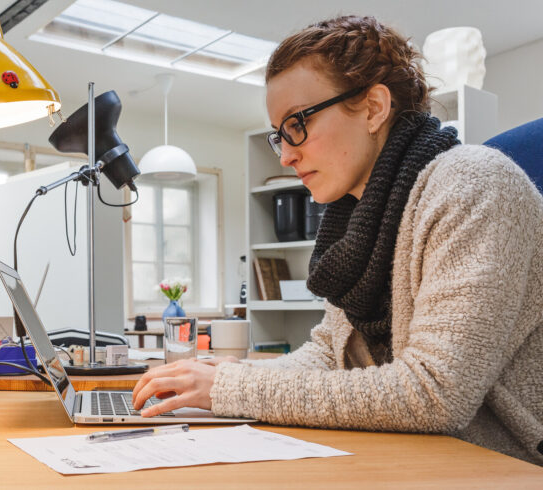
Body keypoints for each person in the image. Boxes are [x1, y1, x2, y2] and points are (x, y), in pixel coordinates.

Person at [133, 15, 543, 465]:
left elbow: (436, 393)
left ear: (372, 108)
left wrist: (232, 388)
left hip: (501, 465)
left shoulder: (474, 184)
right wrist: (228, 373)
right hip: (420, 458)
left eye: (297, 124)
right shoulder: (360, 216)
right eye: (279, 135)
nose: (287, 154)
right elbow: (329, 354)